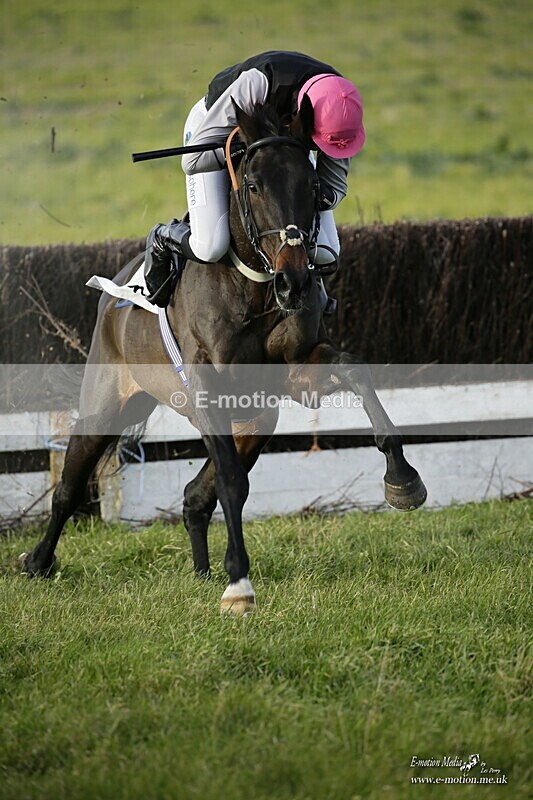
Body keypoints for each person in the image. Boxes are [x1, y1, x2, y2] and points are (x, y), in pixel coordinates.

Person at [143, 50, 365, 310]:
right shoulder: (256, 83)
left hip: (286, 155)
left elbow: (334, 189)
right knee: (210, 246)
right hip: (214, 126)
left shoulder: (342, 110)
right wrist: (245, 149)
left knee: (326, 252)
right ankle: (163, 237)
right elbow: (191, 162)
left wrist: (304, 192)